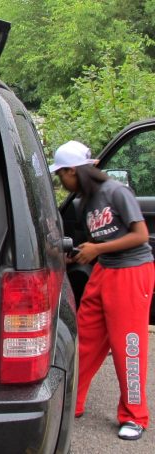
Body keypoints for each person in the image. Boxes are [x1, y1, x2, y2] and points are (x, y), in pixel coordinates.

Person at [50, 140, 154, 441]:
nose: (62, 182)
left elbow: (141, 235)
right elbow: (96, 242)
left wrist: (98, 249)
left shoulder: (116, 192)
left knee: (128, 346)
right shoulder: (85, 202)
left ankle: (135, 416)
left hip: (132, 273)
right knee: (85, 339)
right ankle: (73, 402)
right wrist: (76, 253)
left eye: (62, 176)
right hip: (104, 270)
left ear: (74, 171)